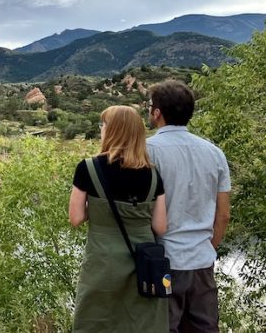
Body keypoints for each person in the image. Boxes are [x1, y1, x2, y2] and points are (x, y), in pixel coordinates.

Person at [69, 105, 168, 332]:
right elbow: (160, 227)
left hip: (102, 264)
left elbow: (75, 218)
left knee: (96, 323)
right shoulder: (153, 174)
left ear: (112, 131)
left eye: (103, 125)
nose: (101, 129)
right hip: (144, 267)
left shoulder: (88, 168)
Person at [147, 80, 230, 333]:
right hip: (202, 263)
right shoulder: (215, 153)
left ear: (157, 112)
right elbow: (224, 214)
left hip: (164, 261)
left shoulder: (147, 151)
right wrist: (208, 247)